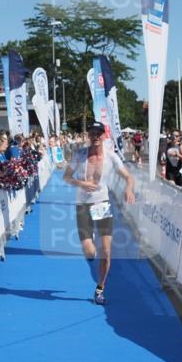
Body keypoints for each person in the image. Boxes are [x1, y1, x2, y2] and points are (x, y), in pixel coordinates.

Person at [62, 122, 136, 305]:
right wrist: (82, 184)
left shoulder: (111, 157)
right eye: (92, 133)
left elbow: (128, 177)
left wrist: (129, 189)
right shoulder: (80, 155)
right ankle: (90, 245)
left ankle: (100, 289)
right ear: (88, 135)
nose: (95, 136)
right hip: (82, 205)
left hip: (101, 204)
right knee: (90, 251)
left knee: (106, 252)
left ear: (104, 136)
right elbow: (66, 177)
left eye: (99, 133)